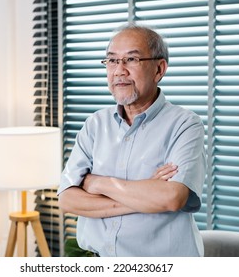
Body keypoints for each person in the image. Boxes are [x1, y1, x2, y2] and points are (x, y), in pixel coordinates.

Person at [57, 23, 206, 257]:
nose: (119, 71)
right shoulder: (95, 124)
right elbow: (67, 200)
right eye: (112, 61)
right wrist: (144, 196)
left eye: (131, 60)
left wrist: (97, 183)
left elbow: (172, 197)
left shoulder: (185, 124)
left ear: (159, 69)